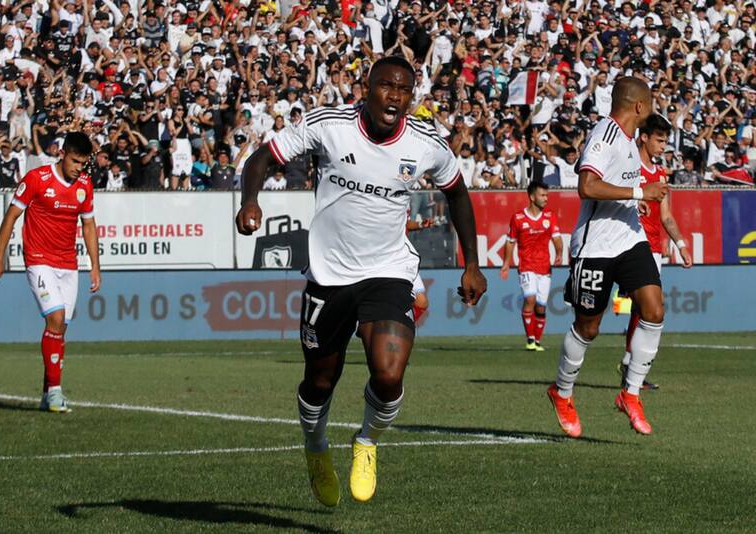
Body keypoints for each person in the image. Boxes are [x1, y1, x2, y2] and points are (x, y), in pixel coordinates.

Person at [235, 56, 486, 506]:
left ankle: (367, 441)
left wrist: (473, 262)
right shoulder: (330, 125)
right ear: (366, 88)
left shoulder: (426, 143)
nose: (394, 96)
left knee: (389, 375)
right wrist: (250, 200)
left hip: (388, 272)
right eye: (386, 86)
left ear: (412, 98)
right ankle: (315, 449)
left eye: (404, 90)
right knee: (319, 382)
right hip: (329, 277)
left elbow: (458, 194)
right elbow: (262, 158)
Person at [548, 77, 668, 438]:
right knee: (589, 328)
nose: (653, 108)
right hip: (595, 247)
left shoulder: (632, 141)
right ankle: (561, 392)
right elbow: (586, 187)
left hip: (629, 239)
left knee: (654, 309)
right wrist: (638, 191)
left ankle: (630, 394)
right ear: (638, 107)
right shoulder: (606, 136)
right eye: (651, 103)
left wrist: (639, 197)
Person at [0, 132, 101, 413]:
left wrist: (95, 266)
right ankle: (55, 393)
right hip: (39, 260)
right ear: (62, 154)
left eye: (83, 163)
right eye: (75, 161)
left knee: (60, 329)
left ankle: (47, 392)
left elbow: (88, 225)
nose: (78, 168)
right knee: (56, 318)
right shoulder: (37, 179)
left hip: (68, 264)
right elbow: (12, 216)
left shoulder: (85, 184)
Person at [618, 113, 693, 389]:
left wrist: (681, 244)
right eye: (659, 140)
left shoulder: (660, 174)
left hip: (651, 248)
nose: (663, 146)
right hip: (624, 242)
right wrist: (632, 200)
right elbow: (609, 192)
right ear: (644, 137)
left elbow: (666, 216)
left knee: (647, 308)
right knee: (644, 307)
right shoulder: (627, 166)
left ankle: (630, 365)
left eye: (665, 141)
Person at [500, 182, 563, 351]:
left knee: (541, 305)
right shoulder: (518, 218)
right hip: (526, 265)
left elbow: (557, 238)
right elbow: (510, 242)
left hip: (544, 267)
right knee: (530, 299)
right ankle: (530, 339)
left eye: (547, 196)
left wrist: (559, 253)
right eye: (542, 195)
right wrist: (506, 263)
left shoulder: (550, 217)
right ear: (532, 196)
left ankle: (537, 341)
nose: (546, 199)